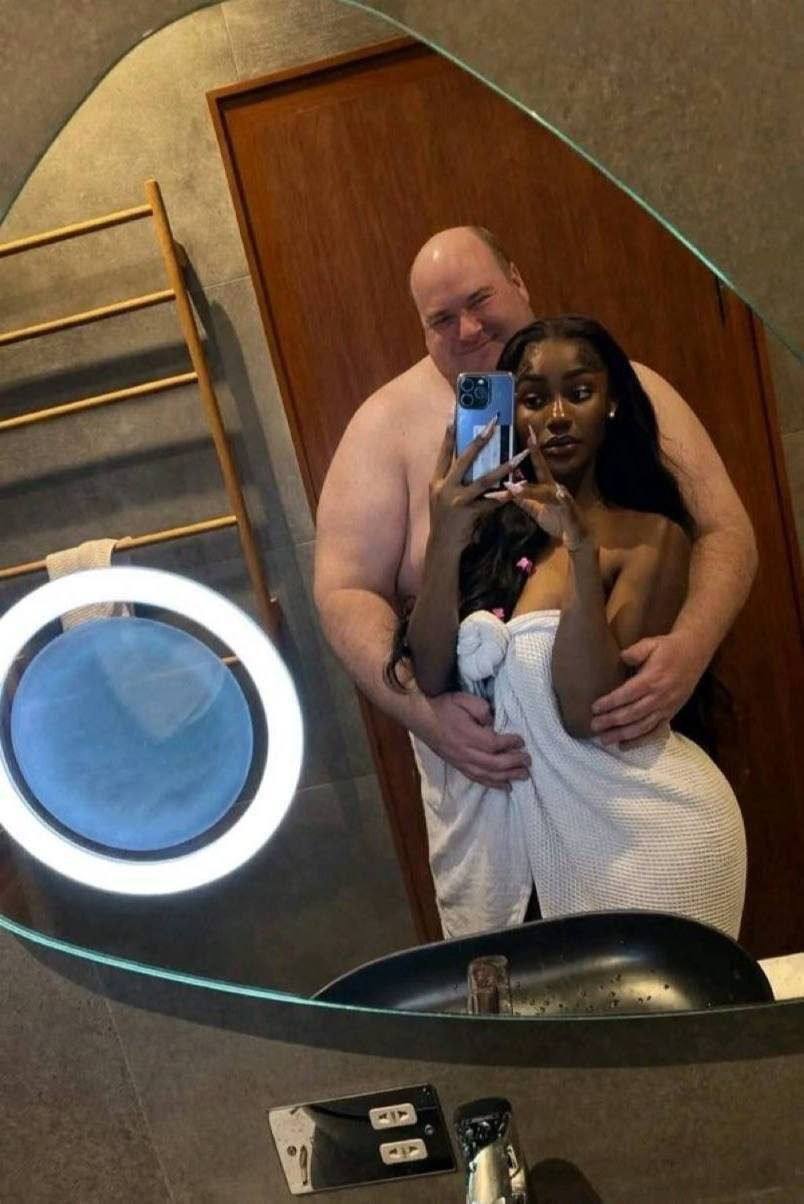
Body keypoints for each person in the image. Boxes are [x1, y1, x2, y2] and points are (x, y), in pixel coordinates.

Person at [314, 227, 757, 788]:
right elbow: (343, 590)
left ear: (517, 281)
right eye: (441, 319)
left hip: (631, 761)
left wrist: (692, 644)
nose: (468, 329)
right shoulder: (382, 428)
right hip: (484, 782)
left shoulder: (627, 392)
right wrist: (424, 712)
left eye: (480, 300)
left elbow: (726, 530)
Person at [387, 316, 746, 938]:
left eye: (579, 393)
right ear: (511, 415)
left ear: (611, 405)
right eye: (533, 399)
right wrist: (445, 538)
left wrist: (580, 550)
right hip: (510, 871)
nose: (556, 416)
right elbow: (433, 674)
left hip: (643, 847)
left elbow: (588, 711)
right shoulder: (484, 539)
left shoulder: (649, 537)